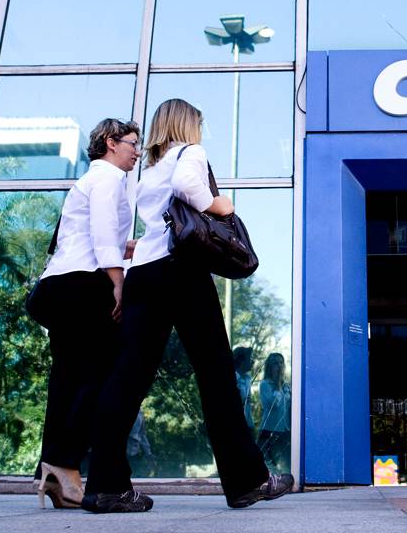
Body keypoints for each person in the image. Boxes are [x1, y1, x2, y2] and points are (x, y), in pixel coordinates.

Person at [82, 98, 293, 513]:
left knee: (127, 379)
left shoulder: (150, 170)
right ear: (187, 125)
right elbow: (189, 188)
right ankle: (247, 481)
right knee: (217, 377)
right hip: (183, 273)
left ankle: (105, 486)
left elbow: (159, 220)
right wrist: (222, 204)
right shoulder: (189, 153)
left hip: (145, 274)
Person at [34, 118, 141, 509]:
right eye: (132, 143)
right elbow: (102, 232)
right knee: (100, 377)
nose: (137, 152)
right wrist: (118, 281)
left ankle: (53, 472)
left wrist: (130, 248)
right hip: (82, 286)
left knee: (67, 381)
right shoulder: (109, 179)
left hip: (58, 287)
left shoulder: (87, 181)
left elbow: (88, 236)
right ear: (111, 143)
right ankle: (65, 464)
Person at [258, 353, 291, 474]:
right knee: (268, 463)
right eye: (276, 363)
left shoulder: (286, 385)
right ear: (270, 367)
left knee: (286, 463)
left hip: (285, 430)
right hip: (270, 429)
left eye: (281, 363)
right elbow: (272, 404)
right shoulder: (265, 384)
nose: (280, 366)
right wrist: (277, 385)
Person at [232, 346, 255, 435]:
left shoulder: (248, 379)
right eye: (250, 358)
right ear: (241, 361)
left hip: (248, 425)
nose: (253, 361)